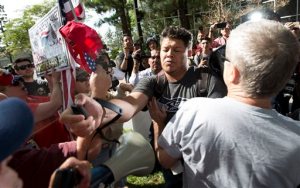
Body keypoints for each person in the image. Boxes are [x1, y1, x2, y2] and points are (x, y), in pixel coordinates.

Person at [60, 26, 226, 188]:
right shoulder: (153, 83)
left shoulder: (206, 80)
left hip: (207, 167)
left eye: (176, 50)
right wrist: (93, 107)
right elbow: (129, 106)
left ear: (188, 53)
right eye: (165, 49)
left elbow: (219, 126)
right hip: (170, 167)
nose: (169, 54)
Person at [155, 20, 300, 187]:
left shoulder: (193, 112)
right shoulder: (296, 138)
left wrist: (158, 123)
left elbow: (164, 160)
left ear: (233, 72)